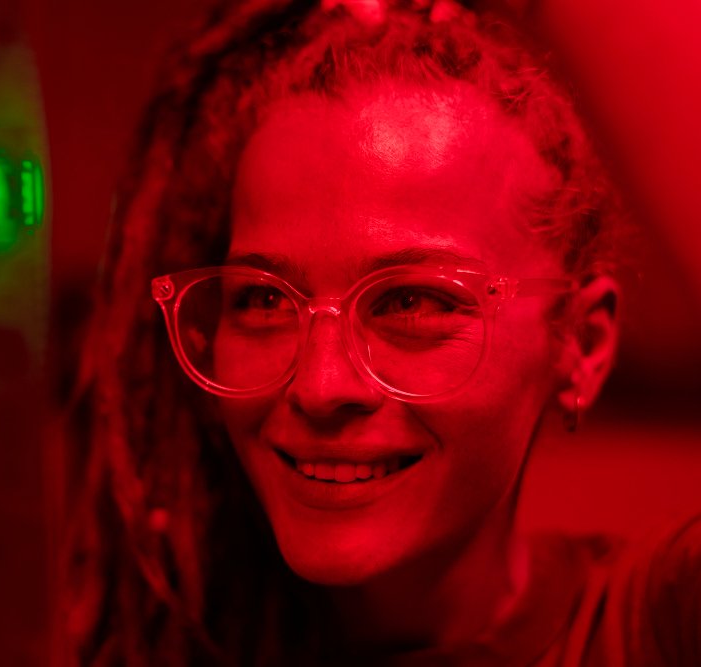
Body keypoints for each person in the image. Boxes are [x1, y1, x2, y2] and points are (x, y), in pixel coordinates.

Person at [65, 0, 701, 664]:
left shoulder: (657, 627)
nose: (319, 386)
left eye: (409, 302)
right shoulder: (160, 642)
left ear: (582, 344)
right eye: (263, 299)